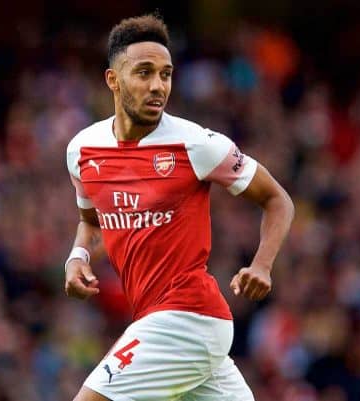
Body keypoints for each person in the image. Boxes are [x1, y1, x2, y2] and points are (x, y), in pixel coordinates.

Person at [64, 14, 294, 401]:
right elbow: (93, 220)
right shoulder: (82, 151)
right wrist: (78, 256)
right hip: (178, 327)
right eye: (144, 73)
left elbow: (277, 199)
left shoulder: (197, 145)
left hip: (186, 316)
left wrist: (262, 264)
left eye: (166, 74)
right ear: (113, 80)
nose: (158, 86)